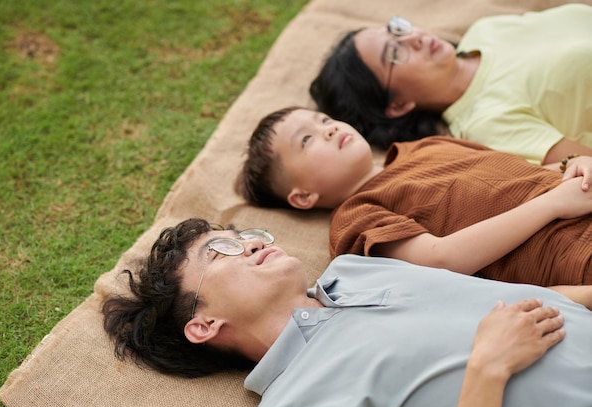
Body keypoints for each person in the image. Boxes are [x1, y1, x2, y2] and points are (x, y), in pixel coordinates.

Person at [101, 217, 592, 407]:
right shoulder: (295, 406)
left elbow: (513, 300)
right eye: (221, 251)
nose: (250, 242)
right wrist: (488, 369)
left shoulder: (352, 270)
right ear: (202, 324)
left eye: (243, 233)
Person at [237, 106, 592, 286]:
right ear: (303, 197)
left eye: (324, 119)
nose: (328, 128)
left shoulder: (426, 145)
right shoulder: (357, 214)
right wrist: (553, 204)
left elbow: (517, 173)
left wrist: (573, 165)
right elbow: (442, 261)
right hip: (572, 255)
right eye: (306, 139)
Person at [309, 4, 592, 165]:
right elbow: (584, 166)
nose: (414, 38)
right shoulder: (485, 125)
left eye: (398, 30)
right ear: (397, 105)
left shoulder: (484, 30)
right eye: (395, 53)